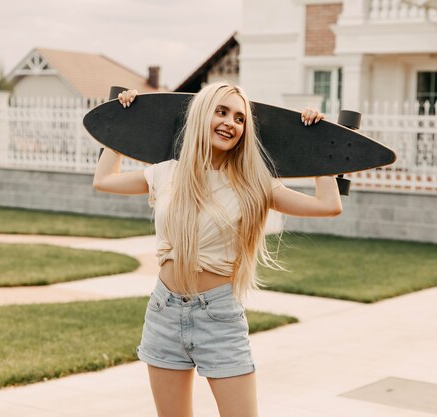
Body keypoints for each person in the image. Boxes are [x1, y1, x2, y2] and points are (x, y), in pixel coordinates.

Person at [93, 82, 342, 417]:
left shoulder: (255, 183)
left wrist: (316, 142)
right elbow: (104, 179)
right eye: (221, 112)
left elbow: (329, 205)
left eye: (239, 118)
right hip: (164, 311)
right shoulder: (168, 172)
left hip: (218, 317)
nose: (230, 123)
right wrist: (123, 121)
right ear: (201, 116)